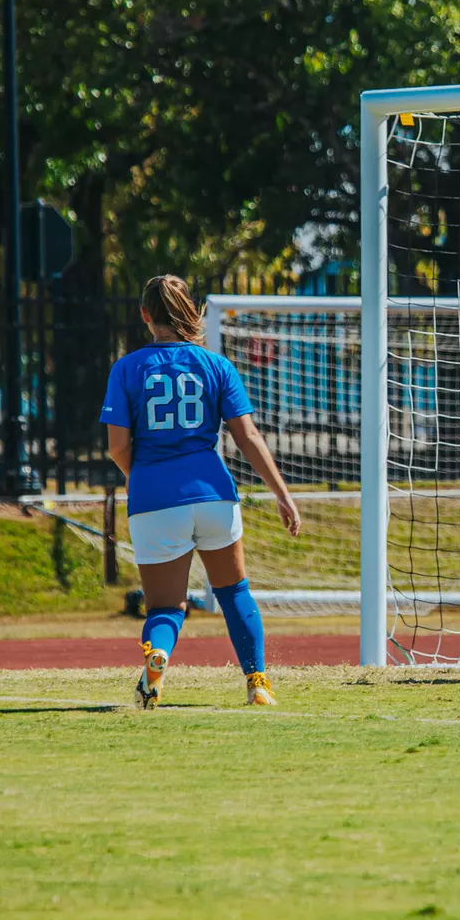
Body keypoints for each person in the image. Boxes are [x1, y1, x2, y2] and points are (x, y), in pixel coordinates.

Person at [102, 275, 301, 709]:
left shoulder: (127, 368)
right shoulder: (216, 365)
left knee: (166, 609)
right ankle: (258, 683)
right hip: (214, 494)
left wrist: (147, 476)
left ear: (145, 315)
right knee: (234, 593)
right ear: (189, 311)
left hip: (155, 500)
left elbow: (117, 446)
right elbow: (247, 437)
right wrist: (283, 494)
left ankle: (157, 658)